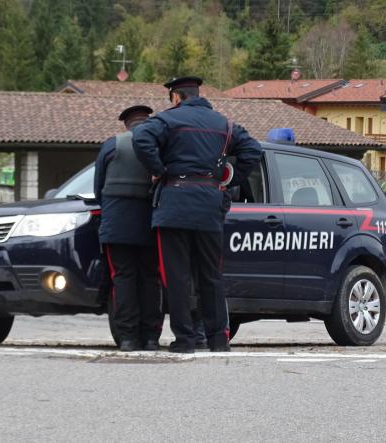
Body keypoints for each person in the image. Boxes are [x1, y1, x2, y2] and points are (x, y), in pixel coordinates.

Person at [132, 76, 262, 353]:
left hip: (174, 205)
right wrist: (228, 180)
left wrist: (159, 169)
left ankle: (185, 339)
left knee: (176, 276)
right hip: (209, 204)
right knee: (211, 275)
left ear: (176, 97)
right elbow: (254, 150)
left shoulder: (169, 120)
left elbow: (141, 137)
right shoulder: (224, 124)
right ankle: (217, 339)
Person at [94, 105, 163, 352]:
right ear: (148, 122)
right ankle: (152, 338)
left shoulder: (112, 146)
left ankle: (128, 338)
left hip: (117, 225)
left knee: (122, 278)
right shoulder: (159, 146)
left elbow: (98, 188)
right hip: (151, 223)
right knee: (151, 278)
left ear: (126, 125)